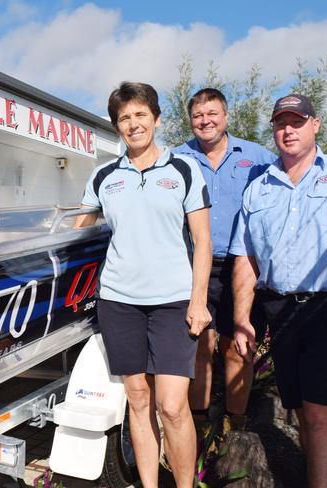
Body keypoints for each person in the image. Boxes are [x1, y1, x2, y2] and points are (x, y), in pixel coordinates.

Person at [75, 81, 212, 488]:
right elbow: (75, 230)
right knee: (138, 399)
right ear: (116, 126)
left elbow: (203, 240)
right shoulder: (103, 176)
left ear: (155, 117)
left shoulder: (184, 169)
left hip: (174, 301)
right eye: (124, 118)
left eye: (139, 115)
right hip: (119, 301)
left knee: (171, 406)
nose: (133, 124)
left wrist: (198, 300)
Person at [230, 94, 327, 488]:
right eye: (280, 123)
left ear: (315, 125)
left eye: (297, 121)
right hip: (280, 312)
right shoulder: (259, 188)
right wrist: (241, 320)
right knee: (303, 414)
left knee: (322, 416)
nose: (288, 130)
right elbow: (245, 260)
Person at [174, 88, 276, 434]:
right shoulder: (177, 158)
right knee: (200, 343)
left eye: (212, 113)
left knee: (238, 346)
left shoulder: (258, 156)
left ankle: (237, 421)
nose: (206, 121)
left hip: (243, 266)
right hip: (194, 266)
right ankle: (200, 423)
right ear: (191, 121)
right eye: (199, 115)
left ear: (226, 117)